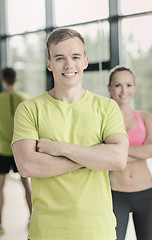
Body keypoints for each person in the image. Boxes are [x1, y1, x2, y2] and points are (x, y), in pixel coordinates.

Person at [12, 28, 128, 240]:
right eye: (59, 58)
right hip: (46, 232)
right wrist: (94, 156)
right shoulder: (29, 109)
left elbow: (118, 159)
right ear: (49, 64)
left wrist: (61, 149)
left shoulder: (107, 108)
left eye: (75, 57)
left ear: (85, 61)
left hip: (98, 231)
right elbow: (27, 166)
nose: (68, 65)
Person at [108, 66, 152, 240]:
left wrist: (116, 152)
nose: (124, 91)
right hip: (115, 195)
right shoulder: (103, 119)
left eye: (129, 85)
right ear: (109, 88)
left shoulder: (145, 117)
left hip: (146, 195)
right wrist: (140, 151)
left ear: (135, 88)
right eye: (118, 85)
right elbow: (101, 156)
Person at [0, 67, 32, 234]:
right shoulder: (25, 100)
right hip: (20, 150)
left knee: (0, 187)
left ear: (3, 80)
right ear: (17, 79)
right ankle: (32, 219)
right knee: (26, 185)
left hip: (2, 150)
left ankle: (0, 225)